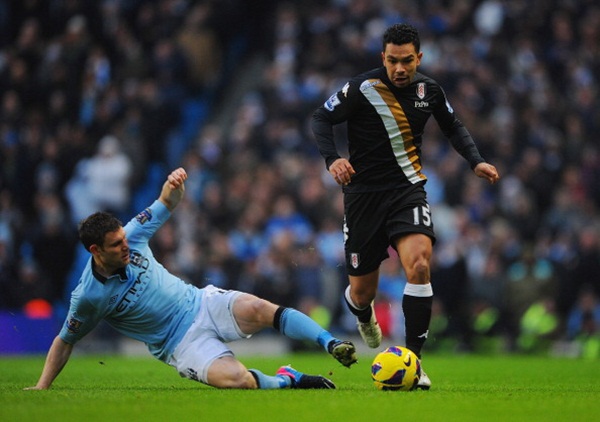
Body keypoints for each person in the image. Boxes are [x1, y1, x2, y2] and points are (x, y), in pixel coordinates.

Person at [25, 167, 357, 391]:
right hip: (179, 345)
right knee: (237, 381)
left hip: (200, 302)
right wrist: (42, 387)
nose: (125, 244)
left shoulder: (133, 233)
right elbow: (65, 340)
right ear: (96, 250)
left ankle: (331, 343)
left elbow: (167, 202)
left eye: (124, 238)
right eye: (116, 245)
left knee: (258, 308)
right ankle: (287, 380)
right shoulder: (89, 296)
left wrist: (173, 186)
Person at [311, 23, 500, 390]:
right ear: (383, 57)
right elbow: (321, 117)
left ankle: (414, 361)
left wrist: (474, 160)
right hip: (363, 197)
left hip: (407, 192)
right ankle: (362, 313)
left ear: (419, 58)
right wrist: (332, 159)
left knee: (419, 265)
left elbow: (453, 125)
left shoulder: (429, 90)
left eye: (407, 61)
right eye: (393, 61)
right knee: (362, 292)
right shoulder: (362, 88)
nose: (400, 69)